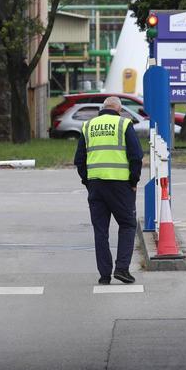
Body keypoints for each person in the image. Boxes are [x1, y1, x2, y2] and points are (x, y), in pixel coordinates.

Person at [74, 96, 144, 285]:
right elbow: (136, 156)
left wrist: (87, 181)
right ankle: (122, 269)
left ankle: (104, 275)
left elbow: (79, 159)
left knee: (100, 231)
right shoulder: (123, 124)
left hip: (96, 186)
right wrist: (133, 180)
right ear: (118, 109)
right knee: (128, 225)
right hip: (121, 186)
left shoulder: (88, 126)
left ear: (103, 108)